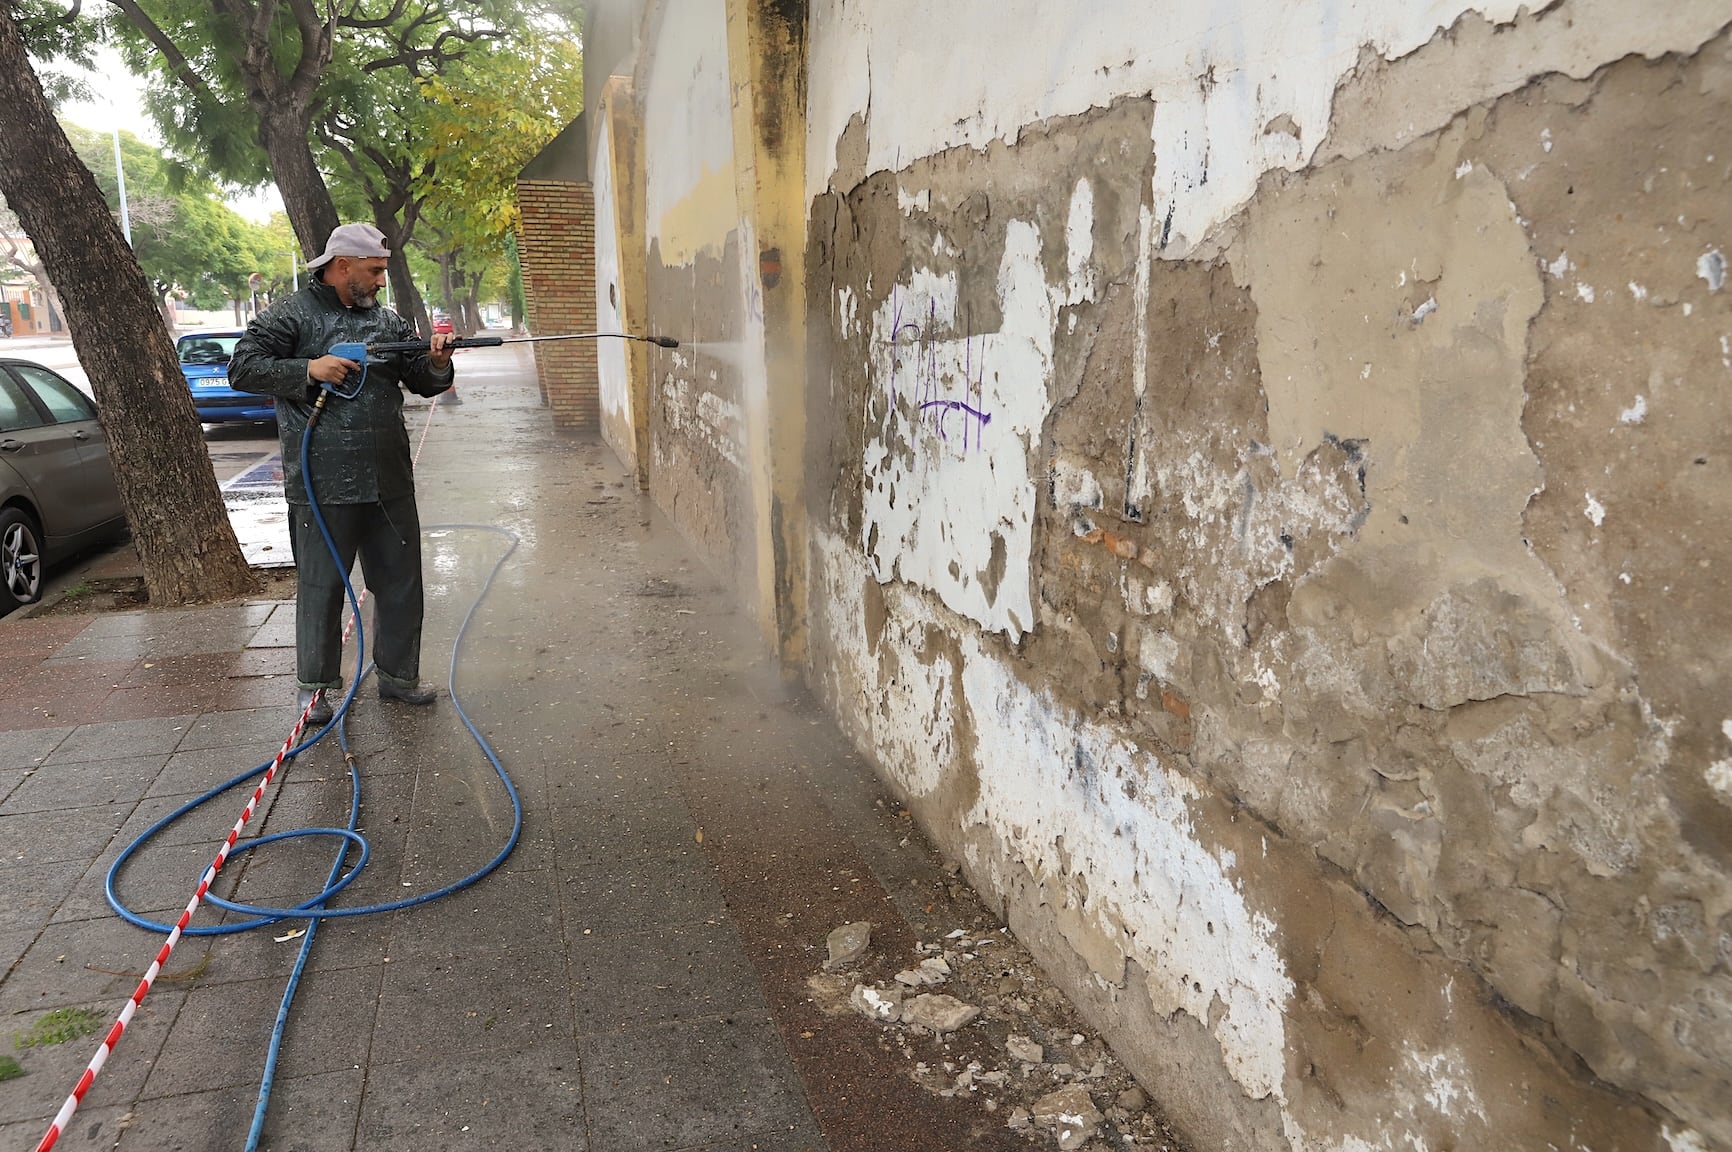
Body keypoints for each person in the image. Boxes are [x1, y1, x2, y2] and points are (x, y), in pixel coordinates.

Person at [230, 223, 456, 725]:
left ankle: (398, 677)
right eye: (374, 271)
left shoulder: (388, 322)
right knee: (321, 586)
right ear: (342, 266)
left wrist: (437, 361)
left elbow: (420, 379)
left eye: (382, 272)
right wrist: (308, 370)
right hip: (321, 481)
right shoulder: (291, 314)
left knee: (400, 582)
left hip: (388, 478)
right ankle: (314, 690)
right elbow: (242, 367)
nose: (380, 281)